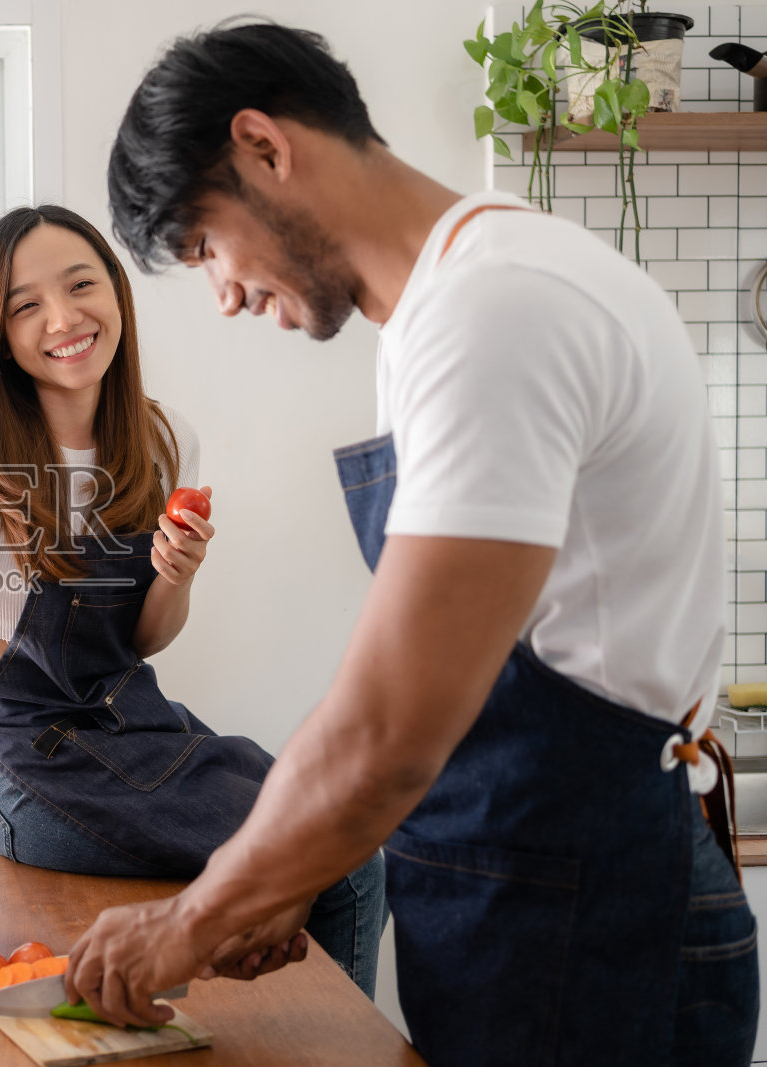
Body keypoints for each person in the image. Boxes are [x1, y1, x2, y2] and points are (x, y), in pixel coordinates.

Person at [63, 19, 760, 1067]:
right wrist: (278, 873)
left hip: (592, 908)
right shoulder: (447, 310)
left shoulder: (495, 314)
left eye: (206, 244)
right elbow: (397, 672)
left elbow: (389, 726)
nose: (225, 292)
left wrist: (190, 919)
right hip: (527, 893)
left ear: (263, 145)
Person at [0, 203, 386, 996]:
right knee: (337, 867)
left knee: (342, 845)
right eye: (26, 306)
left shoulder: (163, 439)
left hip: (135, 724)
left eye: (82, 285)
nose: (64, 318)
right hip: (26, 759)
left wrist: (176, 574)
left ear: (117, 293)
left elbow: (140, 642)